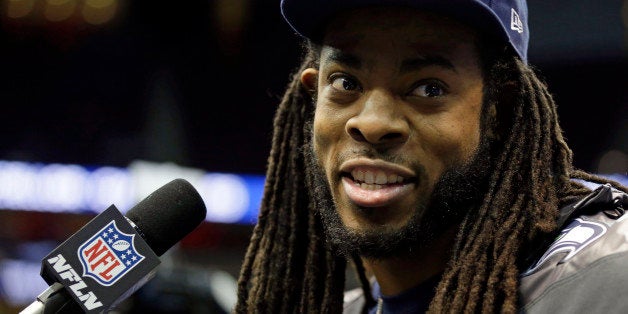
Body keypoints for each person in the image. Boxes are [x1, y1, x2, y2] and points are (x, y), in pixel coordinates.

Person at [234, 0, 628, 313]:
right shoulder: (343, 306)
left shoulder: (603, 279)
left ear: (501, 112)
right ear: (312, 96)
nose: (371, 124)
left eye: (429, 89)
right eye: (345, 83)